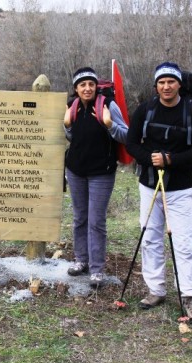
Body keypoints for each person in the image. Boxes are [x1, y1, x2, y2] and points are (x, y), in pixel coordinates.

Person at [125, 62, 192, 324]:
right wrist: (151, 160)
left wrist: (169, 160)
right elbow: (131, 143)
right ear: (156, 86)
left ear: (179, 85)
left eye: (171, 81)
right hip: (148, 185)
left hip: (179, 187)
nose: (166, 86)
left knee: (183, 242)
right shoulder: (145, 109)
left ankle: (190, 296)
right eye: (161, 82)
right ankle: (156, 290)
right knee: (150, 238)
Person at [63, 67, 128, 288]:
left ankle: (97, 269)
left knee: (96, 221)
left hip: (101, 172)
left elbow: (126, 135)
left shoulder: (108, 105)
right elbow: (72, 137)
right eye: (83, 85)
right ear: (76, 89)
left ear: (96, 86)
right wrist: (66, 125)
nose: (87, 88)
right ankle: (81, 260)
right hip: (76, 171)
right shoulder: (72, 108)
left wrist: (109, 124)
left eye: (91, 84)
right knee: (80, 218)